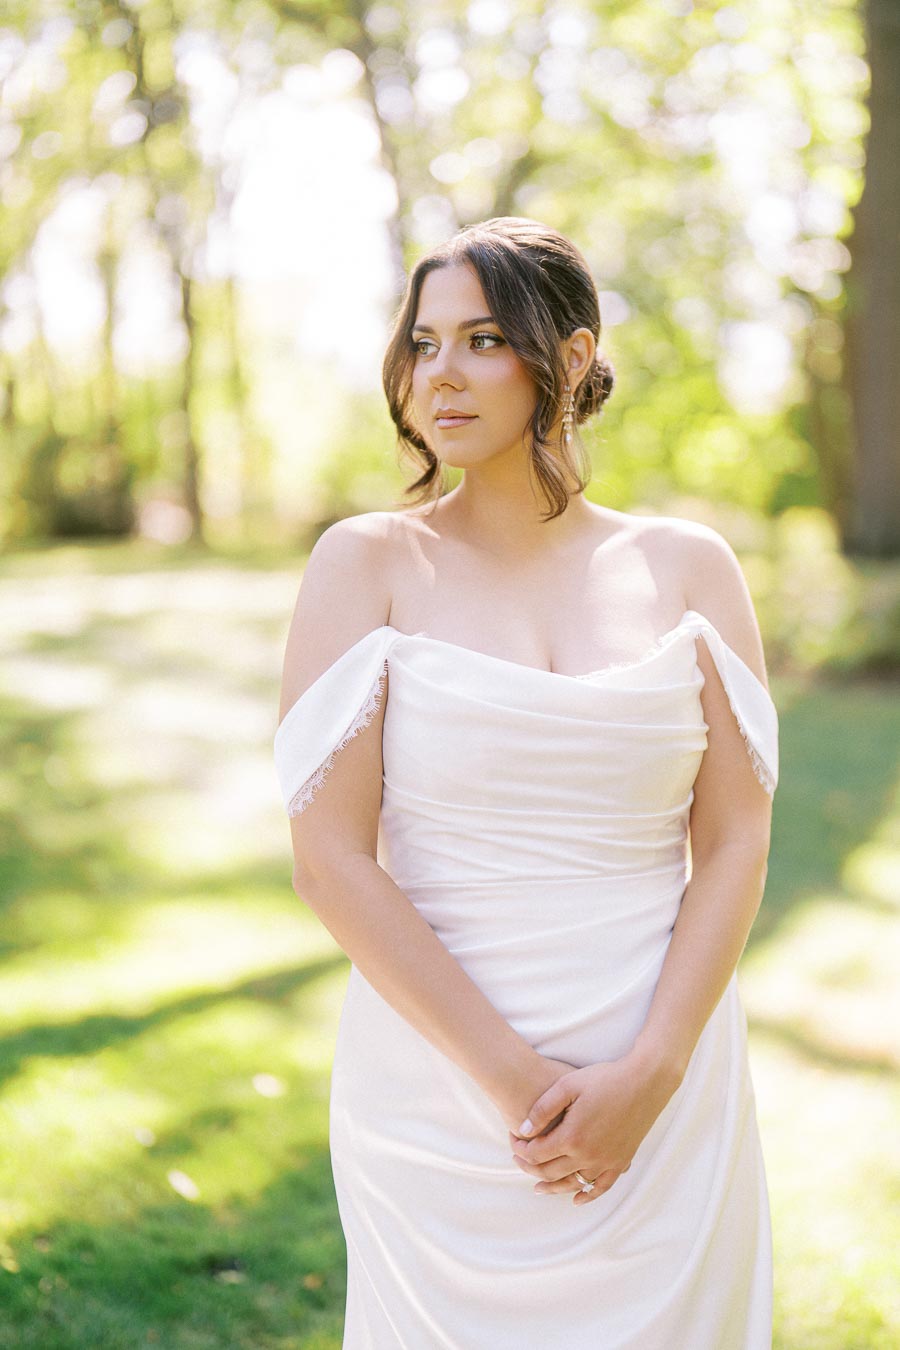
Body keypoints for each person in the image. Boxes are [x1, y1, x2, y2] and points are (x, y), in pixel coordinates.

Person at [274, 217, 779, 1349]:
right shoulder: (366, 564)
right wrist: (519, 1090)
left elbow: (738, 840)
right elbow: (331, 860)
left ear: (574, 356)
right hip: (443, 1092)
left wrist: (653, 1069)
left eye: (484, 339)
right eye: (423, 341)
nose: (438, 373)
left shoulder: (690, 567)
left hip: (668, 1075)